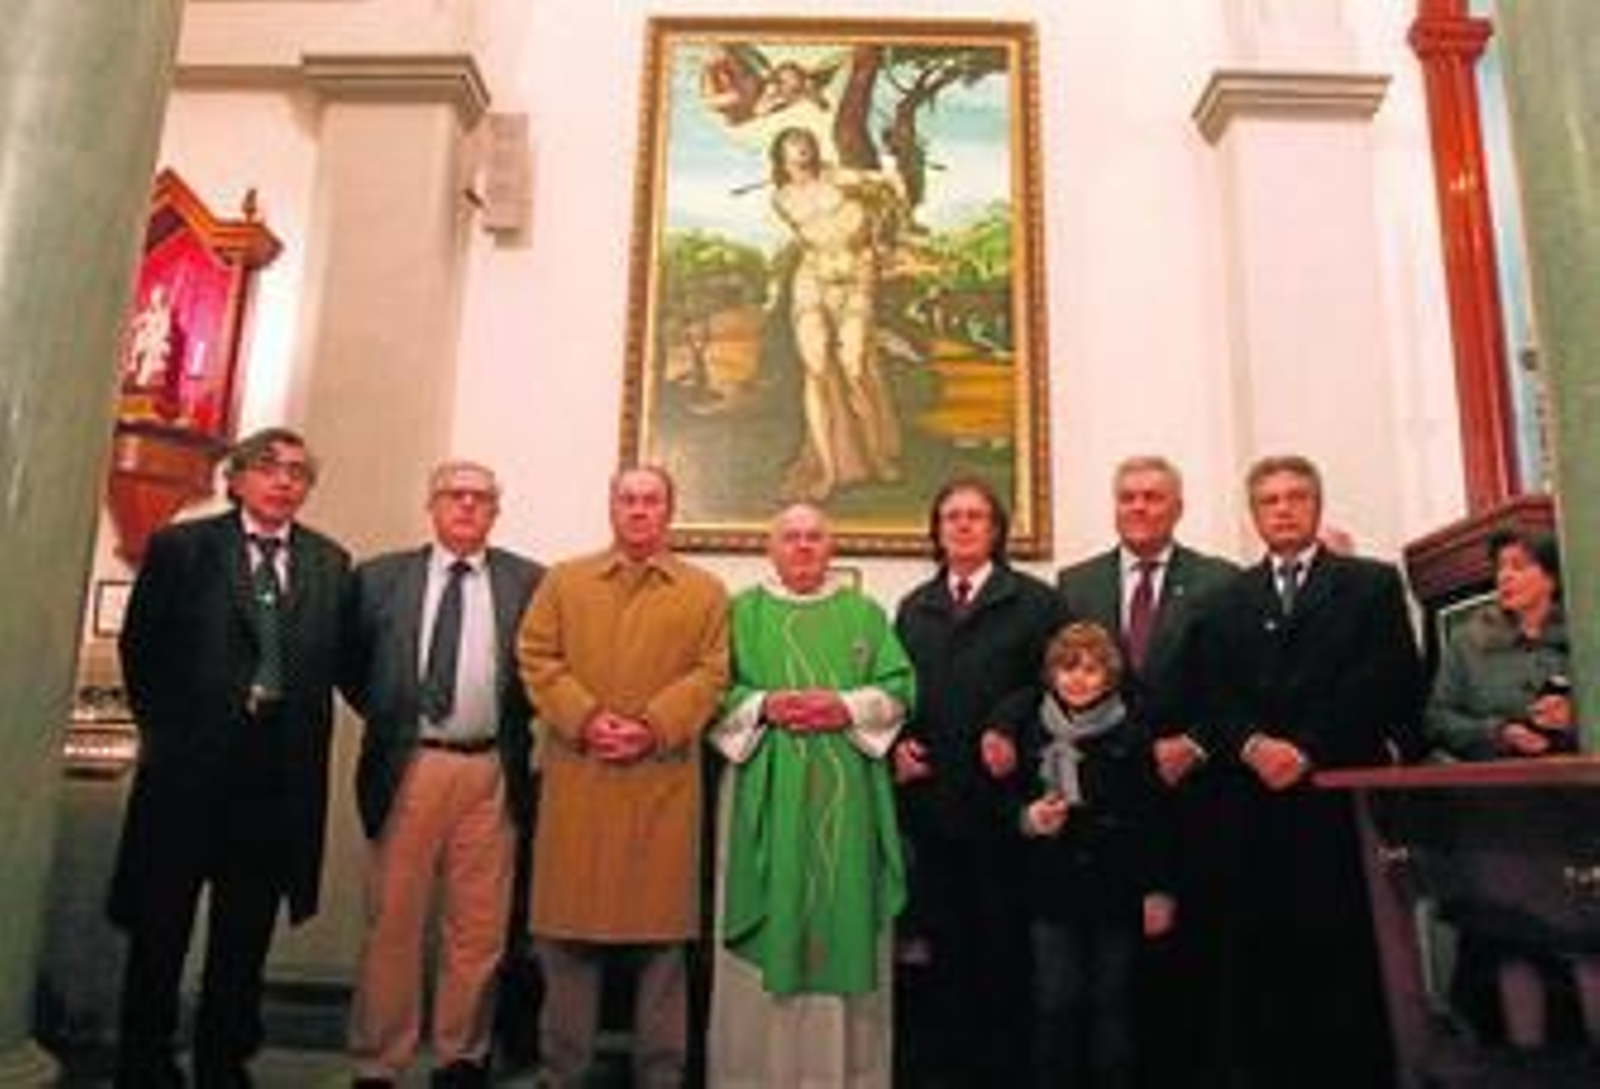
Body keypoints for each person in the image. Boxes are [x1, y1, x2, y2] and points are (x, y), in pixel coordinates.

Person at [108, 427, 351, 1088]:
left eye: (299, 472)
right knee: (161, 924)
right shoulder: (183, 548)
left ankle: (224, 1058)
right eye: (269, 467)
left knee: (243, 935)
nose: (284, 481)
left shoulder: (330, 562)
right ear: (236, 477)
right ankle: (145, 1057)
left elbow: (340, 661)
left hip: (276, 783)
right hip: (188, 776)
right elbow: (141, 650)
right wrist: (172, 735)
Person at [1188, 455, 1423, 1089]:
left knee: (1343, 956)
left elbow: (1388, 679)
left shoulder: (1370, 585)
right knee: (1265, 958)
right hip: (1252, 804)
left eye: (1296, 497)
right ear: (1254, 513)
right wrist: (1252, 744)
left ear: (1317, 506)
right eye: (1270, 500)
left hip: (1335, 800)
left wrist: (1308, 749)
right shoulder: (1225, 600)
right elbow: (1211, 692)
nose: (1284, 509)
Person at [516, 465, 730, 1088]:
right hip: (580, 782)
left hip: (662, 785)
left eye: (652, 500)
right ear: (611, 508)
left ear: (669, 510)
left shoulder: (705, 591)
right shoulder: (564, 581)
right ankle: (562, 1073)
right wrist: (585, 719)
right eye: (628, 499)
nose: (639, 510)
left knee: (662, 951)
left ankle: (661, 1075)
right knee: (567, 942)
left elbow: (713, 674)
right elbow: (536, 654)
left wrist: (654, 724)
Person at [342, 461, 544, 1088]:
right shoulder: (379, 579)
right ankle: (380, 1060)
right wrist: (400, 720)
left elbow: (543, 672)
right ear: (432, 505)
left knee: (478, 928)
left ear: (496, 511)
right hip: (411, 764)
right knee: (393, 923)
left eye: (481, 498)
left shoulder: (529, 581)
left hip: (491, 769)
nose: (467, 507)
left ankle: (462, 1055)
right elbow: (353, 669)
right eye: (454, 495)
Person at [706, 503, 914, 1089]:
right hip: (763, 792)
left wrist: (844, 706)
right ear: (769, 548)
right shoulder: (739, 613)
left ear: (832, 548)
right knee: (768, 913)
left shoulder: (865, 614)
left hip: (846, 801)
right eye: (790, 537)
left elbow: (899, 688)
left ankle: (845, 1075)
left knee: (842, 911)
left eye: (814, 537)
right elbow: (710, 688)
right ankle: (754, 1075)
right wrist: (763, 706)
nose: (802, 547)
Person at [1054, 455, 1237, 1086]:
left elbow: (1237, 687)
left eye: (1153, 497)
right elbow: (1057, 684)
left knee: (1183, 965)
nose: (1139, 507)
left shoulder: (1219, 582)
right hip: (1105, 811)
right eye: (1128, 497)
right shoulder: (1074, 584)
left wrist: (1199, 742)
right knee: (1107, 977)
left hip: (1189, 796)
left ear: (1177, 507)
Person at [892, 476, 1065, 1088]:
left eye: (976, 517)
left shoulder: (1037, 603)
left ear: (997, 529)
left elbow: (1063, 687)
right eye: (951, 517)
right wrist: (898, 746)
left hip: (1007, 812)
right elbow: (898, 692)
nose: (963, 526)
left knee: (1005, 958)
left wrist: (1008, 724)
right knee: (943, 958)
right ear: (936, 532)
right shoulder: (914, 607)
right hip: (934, 811)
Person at [1426, 528, 1597, 1047]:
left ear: (1551, 576)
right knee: (1501, 935)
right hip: (1502, 815)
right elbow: (1436, 719)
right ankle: (1505, 1056)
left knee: (1575, 934)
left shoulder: (1586, 635)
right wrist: (1497, 732)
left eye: (1519, 566)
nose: (1504, 577)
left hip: (1580, 810)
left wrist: (1577, 719)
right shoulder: (1468, 642)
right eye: (1499, 567)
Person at [1014, 622, 1174, 1089]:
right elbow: (1000, 799)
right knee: (1054, 1002)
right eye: (1067, 669)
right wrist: (1028, 817)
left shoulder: (1136, 730)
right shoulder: (1029, 726)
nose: (1077, 679)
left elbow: (1155, 818)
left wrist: (1159, 889)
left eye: (1090, 669)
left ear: (1109, 676)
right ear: (1050, 674)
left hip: (1117, 887)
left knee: (1113, 1004)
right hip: (1050, 887)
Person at [769, 125, 904, 502]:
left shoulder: (840, 178)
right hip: (812, 280)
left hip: (856, 278)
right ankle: (828, 471)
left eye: (806, 142)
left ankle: (877, 456)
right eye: (793, 144)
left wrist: (890, 167)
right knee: (815, 368)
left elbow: (889, 186)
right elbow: (812, 237)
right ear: (780, 154)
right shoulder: (781, 198)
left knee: (854, 364)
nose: (802, 149)